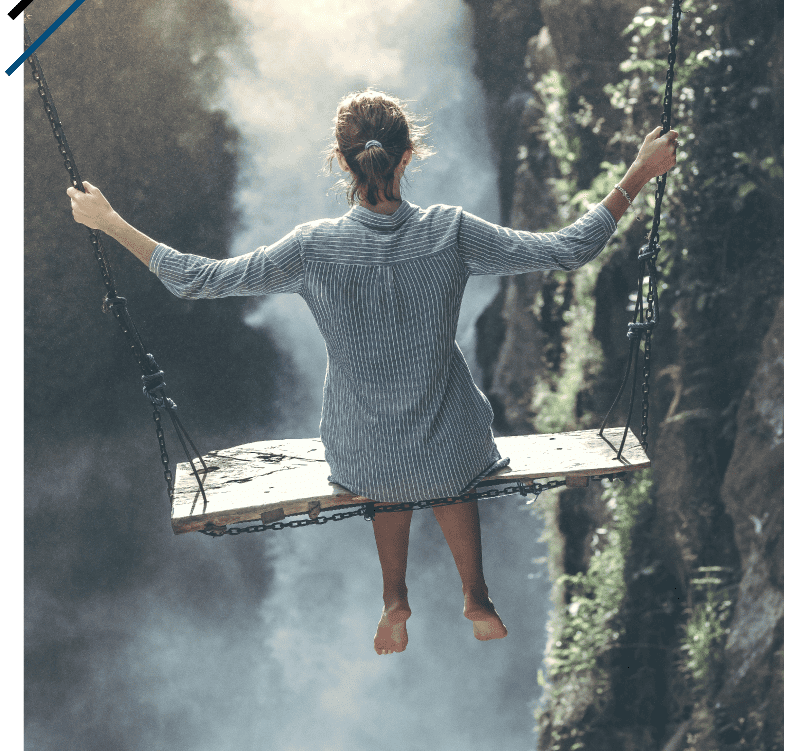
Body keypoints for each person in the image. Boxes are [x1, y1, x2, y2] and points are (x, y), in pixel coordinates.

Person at [67, 88, 678, 655]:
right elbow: (569, 248)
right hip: (451, 445)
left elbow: (198, 278)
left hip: (363, 452)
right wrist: (639, 174)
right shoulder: (450, 231)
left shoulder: (311, 246)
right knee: (450, 456)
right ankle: (477, 596)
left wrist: (110, 222)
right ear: (409, 154)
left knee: (385, 462)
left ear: (341, 161)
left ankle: (394, 598)